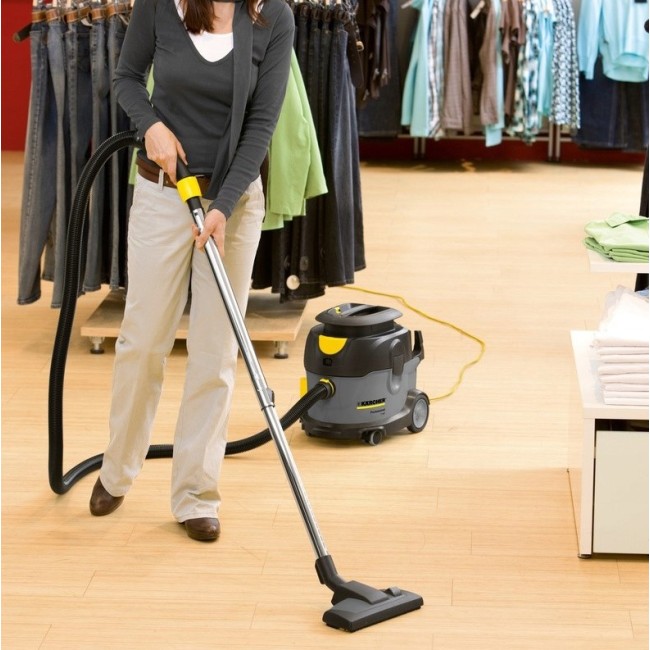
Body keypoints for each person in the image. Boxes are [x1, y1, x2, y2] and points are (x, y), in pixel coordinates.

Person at [88, 0, 295, 542]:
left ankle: (196, 494)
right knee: (142, 342)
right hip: (162, 197)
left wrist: (223, 206)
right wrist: (151, 126)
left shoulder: (273, 16)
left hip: (233, 206)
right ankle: (118, 468)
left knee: (215, 351)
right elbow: (127, 78)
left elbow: (262, 123)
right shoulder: (160, 4)